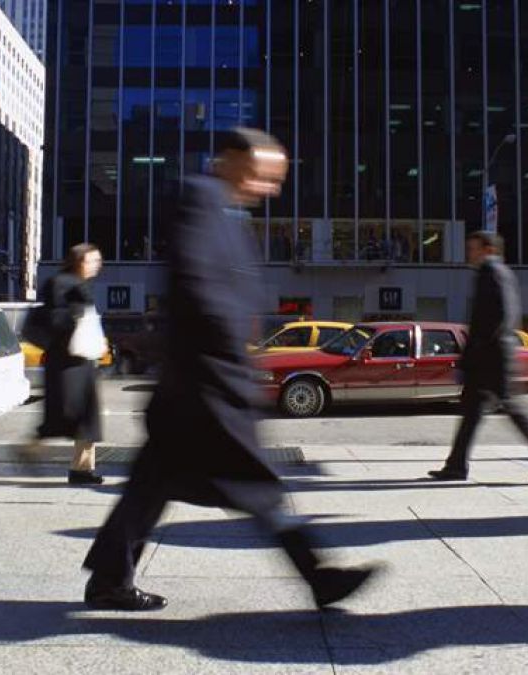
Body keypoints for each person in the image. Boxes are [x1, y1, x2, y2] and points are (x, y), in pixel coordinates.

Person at [82, 128, 376, 611]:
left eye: (276, 181)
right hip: (207, 381)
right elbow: (195, 283)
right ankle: (317, 575)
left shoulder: (225, 212)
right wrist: (229, 355)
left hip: (195, 383)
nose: (270, 188)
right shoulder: (200, 199)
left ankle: (109, 579)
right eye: (265, 175)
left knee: (154, 483)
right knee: (254, 482)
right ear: (233, 158)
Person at [428, 231, 528, 484]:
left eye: (473, 249)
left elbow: (497, 316)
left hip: (491, 357)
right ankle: (456, 465)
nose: (469, 254)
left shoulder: (493, 272)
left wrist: (478, 351)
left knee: (511, 409)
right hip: (490, 355)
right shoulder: (493, 272)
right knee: (473, 411)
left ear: (488, 249)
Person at [28, 244, 105, 485]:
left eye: (98, 261)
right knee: (66, 416)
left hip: (80, 361)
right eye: (92, 260)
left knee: (87, 419)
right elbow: (55, 319)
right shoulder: (61, 283)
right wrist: (75, 315)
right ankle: (29, 448)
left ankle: (82, 470)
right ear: (78, 261)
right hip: (66, 363)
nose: (97, 265)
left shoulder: (80, 284)